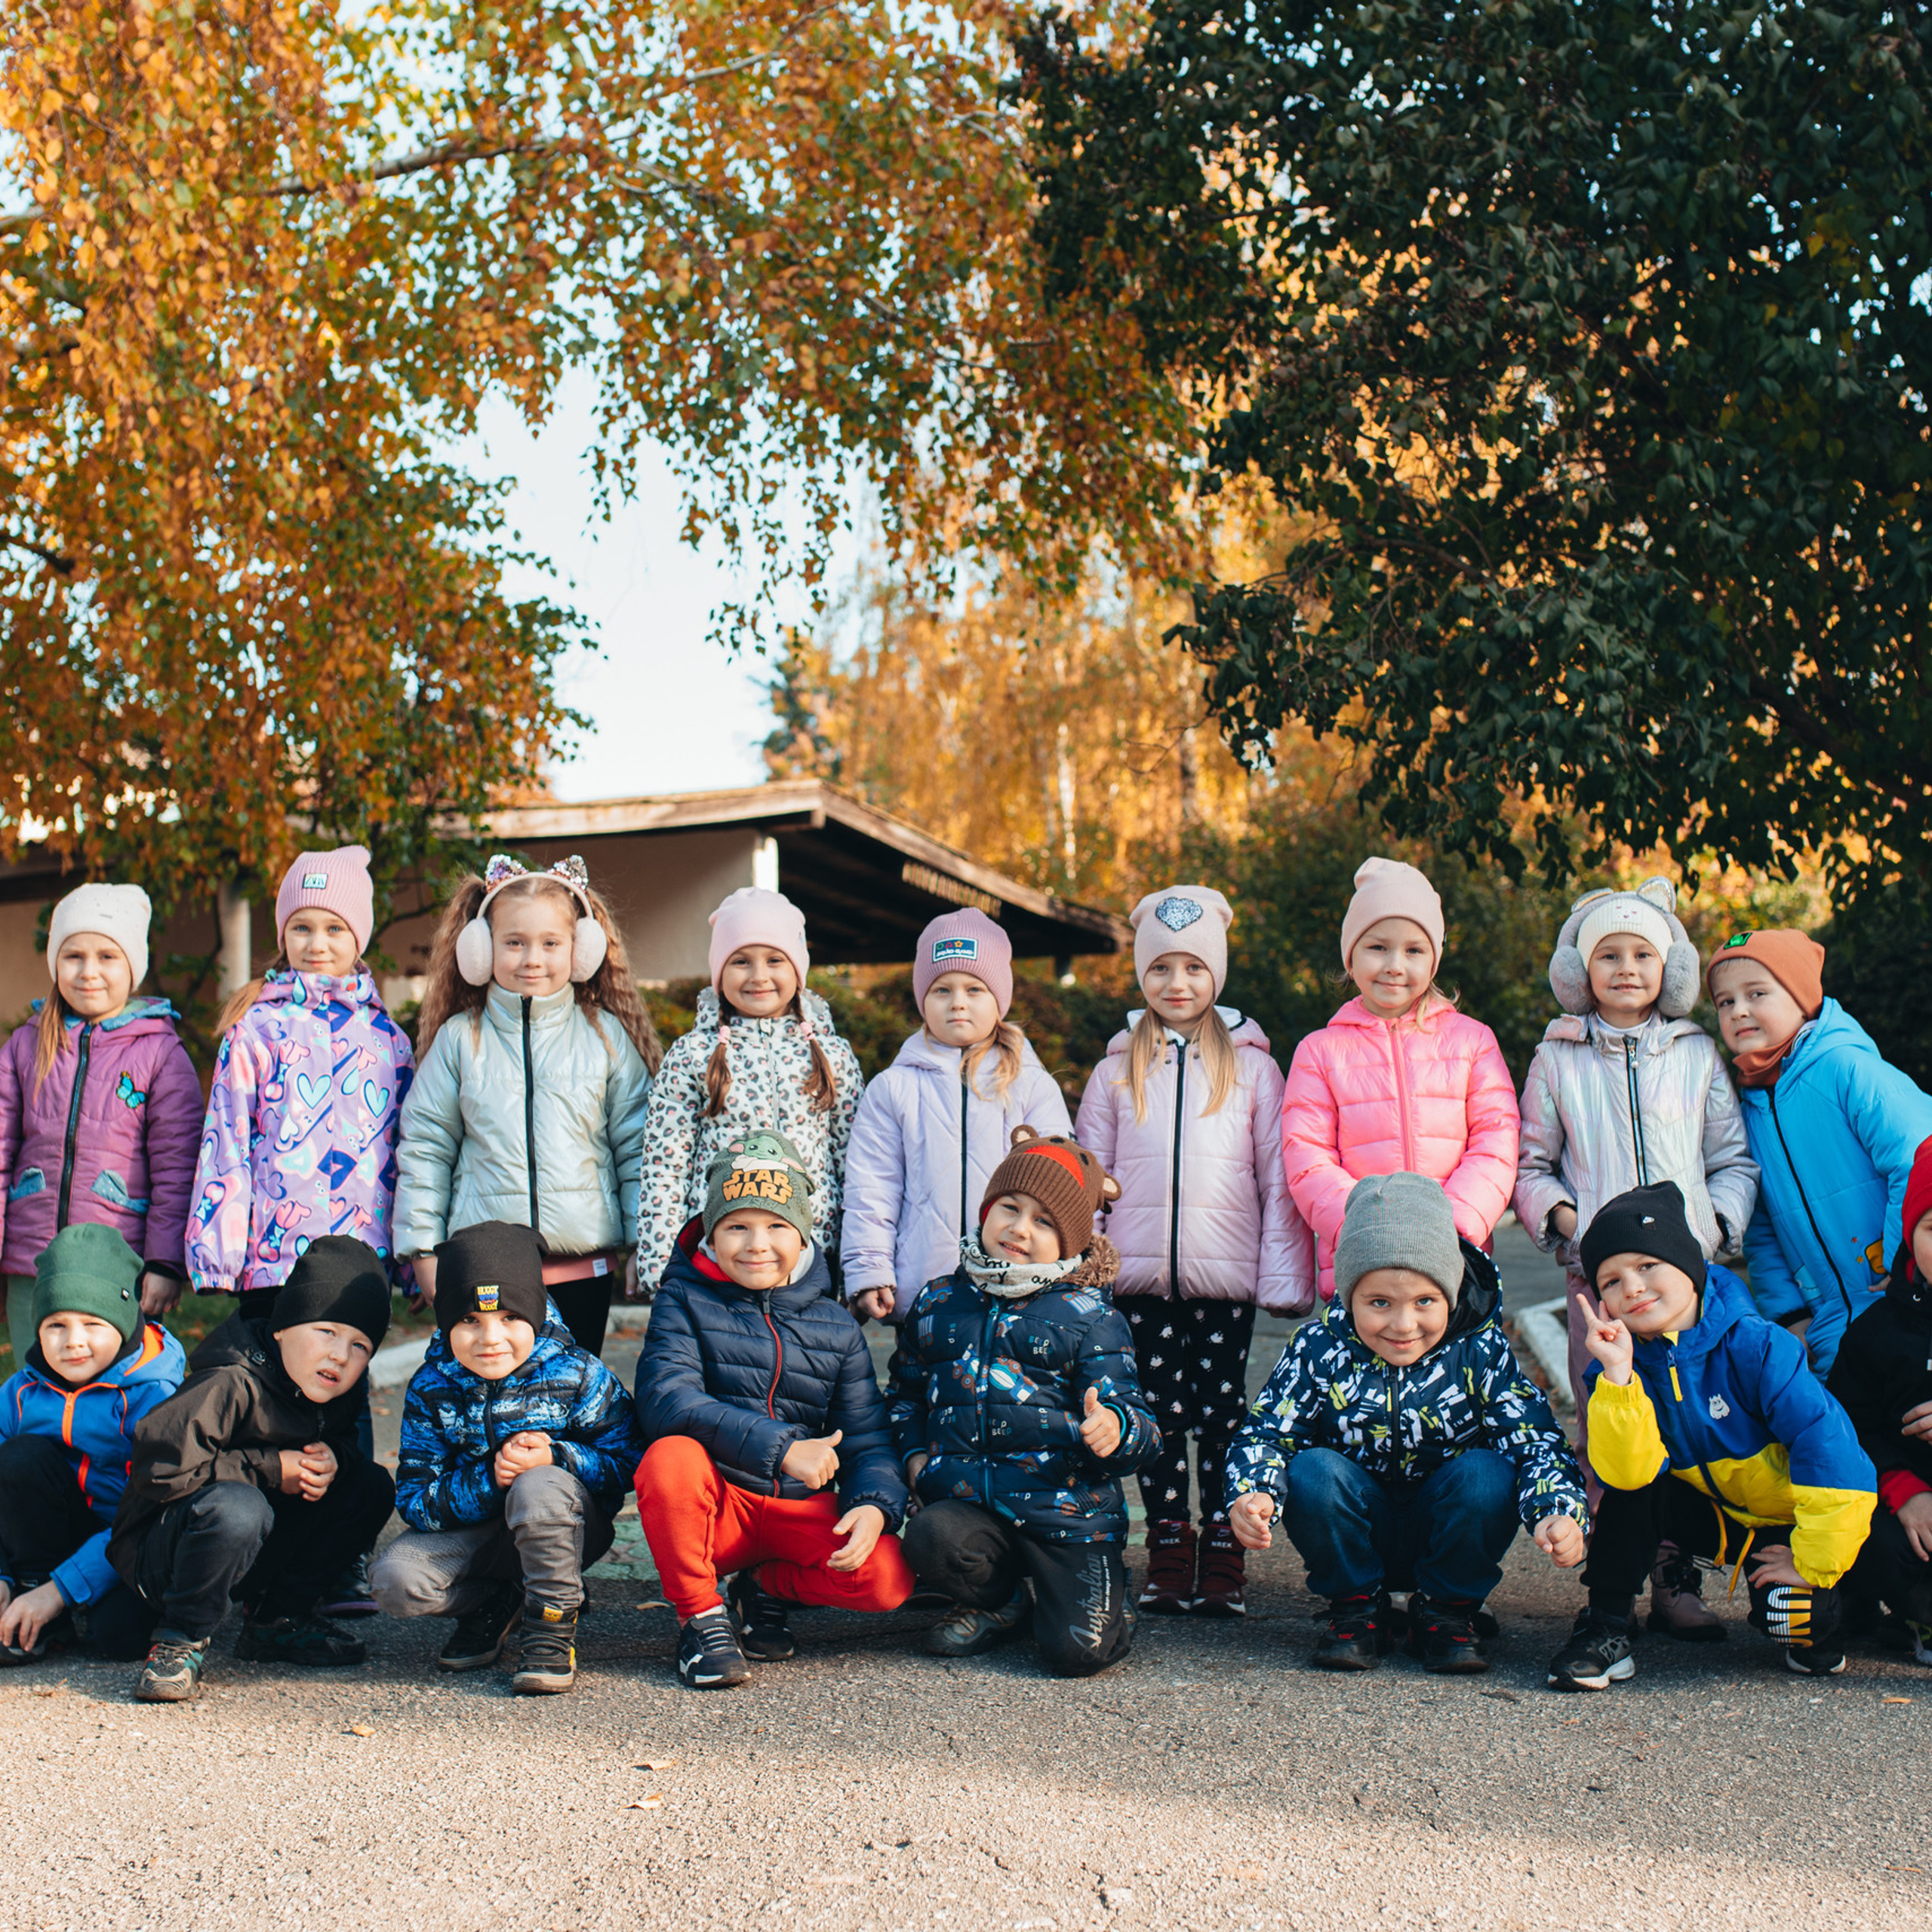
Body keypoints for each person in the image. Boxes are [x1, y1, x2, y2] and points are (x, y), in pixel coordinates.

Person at [1226, 1172, 1586, 1673]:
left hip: (1447, 1530)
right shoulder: (1318, 1349)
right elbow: (1267, 1434)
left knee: (1489, 1472)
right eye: (1379, 1303)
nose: (1402, 1324)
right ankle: (1356, 1610)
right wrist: (1254, 1491)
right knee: (1311, 1470)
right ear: (1349, 1295)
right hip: (1355, 1527)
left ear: (1451, 1293)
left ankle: (1446, 1611)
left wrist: (1557, 1510)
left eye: (1424, 1302)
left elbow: (1535, 1442)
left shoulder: (1479, 1350)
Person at [186, 844, 415, 1614]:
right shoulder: (256, 1029)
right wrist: (218, 1249)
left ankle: (336, 1559)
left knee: (346, 1409)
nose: (318, 943)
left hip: (356, 1263)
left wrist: (408, 1259)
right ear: (283, 933)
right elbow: (225, 1138)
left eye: (335, 928)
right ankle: (265, 1565)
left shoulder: (389, 1039)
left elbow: (406, 1153)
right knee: (275, 1413)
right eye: (303, 927)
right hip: (274, 1264)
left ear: (361, 938)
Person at [1075, 884, 1314, 1618]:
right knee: (1153, 1414)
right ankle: (1169, 1544)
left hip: (1223, 1278)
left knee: (1218, 1413)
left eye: (1193, 969)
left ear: (1216, 974)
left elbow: (1277, 1177)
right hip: (1138, 1281)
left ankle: (1222, 1542)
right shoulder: (1117, 1069)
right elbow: (1087, 1179)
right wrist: (1088, 1268)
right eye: (1160, 970)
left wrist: (1281, 1273)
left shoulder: (1251, 1068)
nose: (1177, 984)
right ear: (1141, 977)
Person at [1548, 1182, 1876, 1691]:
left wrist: (1812, 1560)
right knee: (1633, 1490)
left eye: (1647, 1266)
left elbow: (1831, 1453)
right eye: (1610, 1280)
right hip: (1704, 1509)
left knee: (1801, 1625)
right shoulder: (1617, 1367)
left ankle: (1835, 1599)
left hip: (1786, 1518)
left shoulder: (1758, 1345)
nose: (1631, 1288)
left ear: (1690, 1266)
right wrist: (1618, 1376)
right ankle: (1606, 1627)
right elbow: (1625, 1474)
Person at [1513, 878, 1758, 1552]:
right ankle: (1611, 1580)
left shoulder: (1695, 1054)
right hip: (1599, 1284)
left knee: (1685, 1422)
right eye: (1609, 955)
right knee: (1610, 1421)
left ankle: (1677, 1572)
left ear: (1668, 968)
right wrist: (1575, 1226)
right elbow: (1530, 1168)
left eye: (1643, 955)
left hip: (1687, 1283)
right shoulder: (1556, 1060)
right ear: (1581, 971)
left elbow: (1733, 1161)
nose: (1626, 969)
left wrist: (1709, 1232)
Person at [633, 1130, 911, 1690]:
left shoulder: (835, 1325)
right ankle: (702, 1618)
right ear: (712, 1233)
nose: (757, 1244)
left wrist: (876, 1505)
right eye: (737, 1225)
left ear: (804, 1233)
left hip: (795, 1512)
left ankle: (765, 1587)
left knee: (889, 1577)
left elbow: (868, 1439)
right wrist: (782, 1448)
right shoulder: (683, 1300)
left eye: (777, 1225)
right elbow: (668, 1400)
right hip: (719, 1510)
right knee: (670, 1459)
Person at [888, 1128, 1159, 1678]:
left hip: (1065, 1515)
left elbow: (1145, 1431)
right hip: (971, 1510)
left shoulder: (1090, 1317)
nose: (1019, 1229)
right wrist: (915, 1454)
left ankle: (1102, 1588)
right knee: (931, 1536)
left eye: (1044, 1222)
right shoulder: (939, 1301)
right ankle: (1001, 1600)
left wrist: (1117, 1429)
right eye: (1010, 1208)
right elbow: (905, 1393)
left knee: (1080, 1653)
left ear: (1072, 1241)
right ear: (987, 1210)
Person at [108, 1236, 397, 1703]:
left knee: (369, 1485)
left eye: (360, 1345)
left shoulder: (336, 1386)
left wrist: (334, 1460)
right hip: (163, 1555)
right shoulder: (230, 1380)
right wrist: (270, 1468)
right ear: (283, 1327)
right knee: (237, 1507)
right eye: (326, 1332)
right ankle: (179, 1640)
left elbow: (342, 1447)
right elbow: (159, 1471)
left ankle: (275, 1621)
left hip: (247, 1543)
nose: (340, 1356)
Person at [393, 854, 658, 1358]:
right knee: (493, 1413)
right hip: (483, 1269)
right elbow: (426, 1149)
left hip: (584, 1268)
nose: (532, 959)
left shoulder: (604, 1037)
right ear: (480, 949)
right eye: (514, 942)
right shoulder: (460, 1040)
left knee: (575, 1404)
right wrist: (424, 1252)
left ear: (581, 950)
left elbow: (638, 1148)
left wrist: (641, 1247)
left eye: (551, 943)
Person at [370, 1221, 644, 1695]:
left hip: (565, 1524)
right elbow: (414, 1499)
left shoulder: (577, 1372)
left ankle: (550, 1627)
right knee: (396, 1581)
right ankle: (497, 1601)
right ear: (447, 1323)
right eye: (469, 1320)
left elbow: (631, 1461)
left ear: (535, 1313)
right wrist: (488, 1478)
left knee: (537, 1486)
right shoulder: (432, 1387)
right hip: (476, 1534)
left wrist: (556, 1457)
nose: (490, 1338)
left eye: (510, 1318)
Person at [1281, 857, 1519, 1302]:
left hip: (1456, 1262)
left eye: (1413, 950)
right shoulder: (1320, 1052)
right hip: (1361, 1267)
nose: (1394, 964)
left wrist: (1452, 1222)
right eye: (1377, 947)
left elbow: (1497, 1138)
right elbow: (1306, 1154)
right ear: (1351, 957)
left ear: (1434, 959)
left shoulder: (1473, 1042)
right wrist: (1367, 1224)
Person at [1706, 928, 1932, 1376]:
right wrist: (1789, 1314)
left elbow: (1916, 1159)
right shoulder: (1748, 1108)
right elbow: (1762, 1226)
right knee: (1852, 1438)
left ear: (1802, 996)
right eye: (1725, 1002)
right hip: (1831, 1327)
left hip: (1907, 1299)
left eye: (1757, 993)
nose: (1740, 1010)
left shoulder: (1848, 1070)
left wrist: (1898, 1259)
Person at [841, 908, 1072, 1325]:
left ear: (999, 999)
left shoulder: (1031, 1085)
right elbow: (872, 1188)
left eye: (975, 989)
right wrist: (869, 1270)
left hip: (1018, 1291)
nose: (958, 1003)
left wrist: (1065, 1270)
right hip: (922, 1295)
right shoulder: (893, 1089)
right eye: (942, 990)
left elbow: (1061, 1188)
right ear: (923, 1000)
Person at [0, 883, 202, 1361]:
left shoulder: (160, 1053)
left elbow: (178, 1168)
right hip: (34, 1264)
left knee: (112, 1401)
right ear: (55, 962)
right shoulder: (27, 1046)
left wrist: (164, 1262)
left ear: (133, 966)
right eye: (73, 956)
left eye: (107, 956)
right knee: (37, 1395)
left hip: (118, 1267)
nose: (89, 972)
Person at [634, 888, 862, 1297]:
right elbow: (664, 1167)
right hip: (719, 1258)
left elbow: (853, 1164)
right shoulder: (692, 1054)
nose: (758, 976)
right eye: (740, 961)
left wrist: (853, 1266)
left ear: (798, 969)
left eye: (775, 960)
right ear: (720, 973)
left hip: (810, 1257)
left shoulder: (832, 1055)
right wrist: (659, 1265)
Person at [0, 1224, 186, 1663]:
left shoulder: (156, 1395)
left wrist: (62, 1589)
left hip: (130, 1542)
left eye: (93, 1323)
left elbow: (150, 1516)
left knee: (120, 1640)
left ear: (123, 1322)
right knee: (21, 1458)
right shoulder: (20, 1391)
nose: (73, 1342)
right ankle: (35, 1601)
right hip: (52, 1532)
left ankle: (53, 1600)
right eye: (55, 1325)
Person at [1828, 1136, 1932, 1663]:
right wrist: (1903, 1488)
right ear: (1911, 1234)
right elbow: (1847, 1428)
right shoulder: (1876, 1333)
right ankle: (1905, 1612)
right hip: (1907, 1502)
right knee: (1864, 1530)